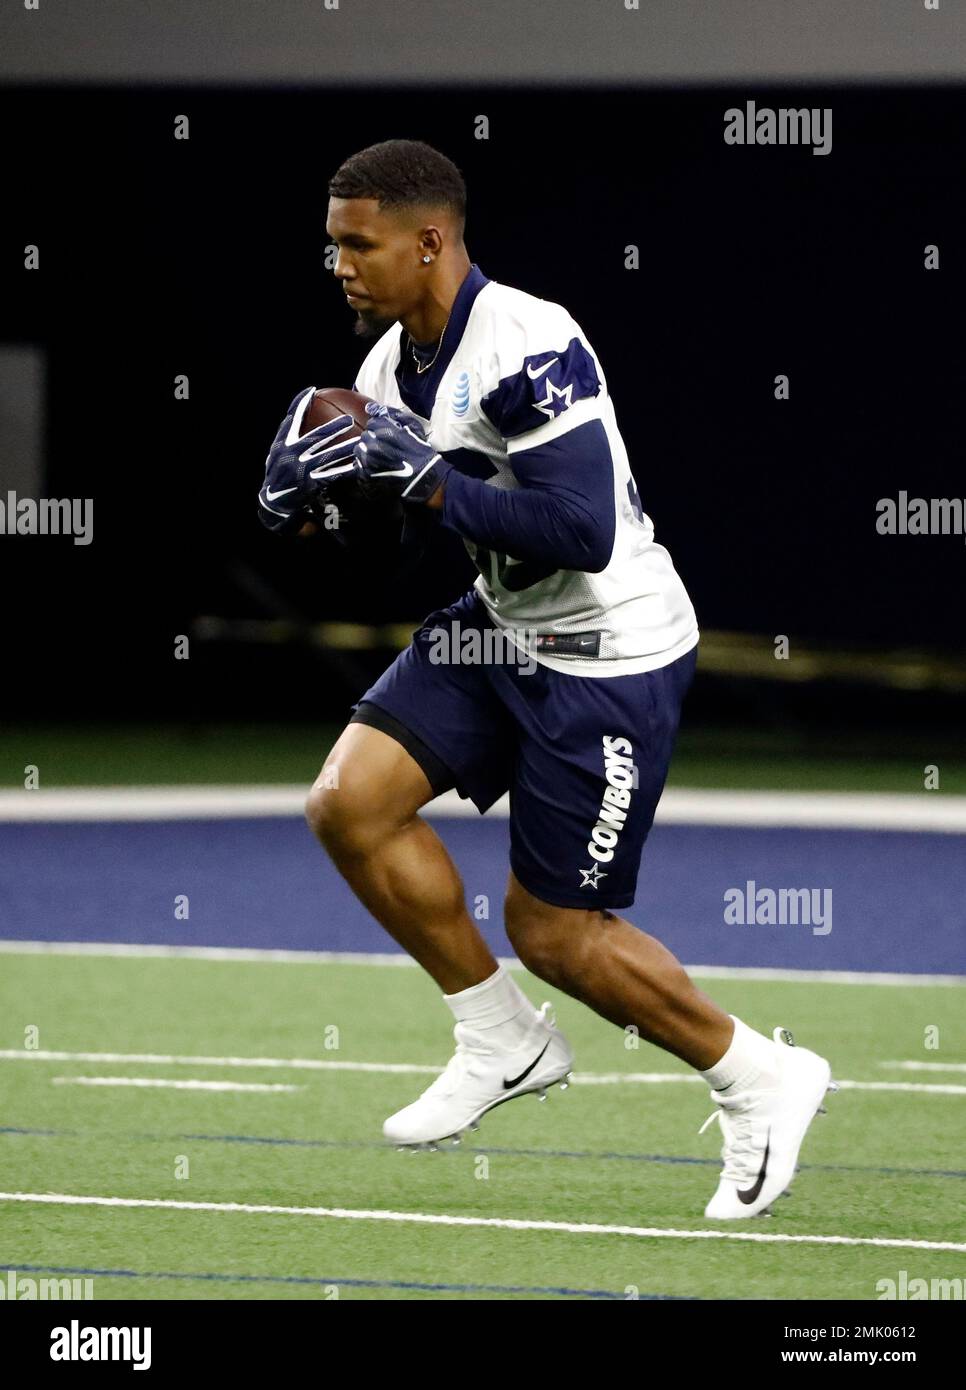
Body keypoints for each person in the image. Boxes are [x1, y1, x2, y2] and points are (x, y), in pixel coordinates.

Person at [257, 138, 834, 1219]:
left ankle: (759, 1075)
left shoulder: (529, 339)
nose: (338, 262)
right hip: (502, 627)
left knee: (558, 933)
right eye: (332, 242)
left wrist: (423, 483)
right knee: (349, 802)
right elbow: (401, 548)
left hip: (607, 652)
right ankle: (499, 1036)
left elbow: (582, 531)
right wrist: (320, 509)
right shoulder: (386, 369)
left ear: (429, 241)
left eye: (357, 243)